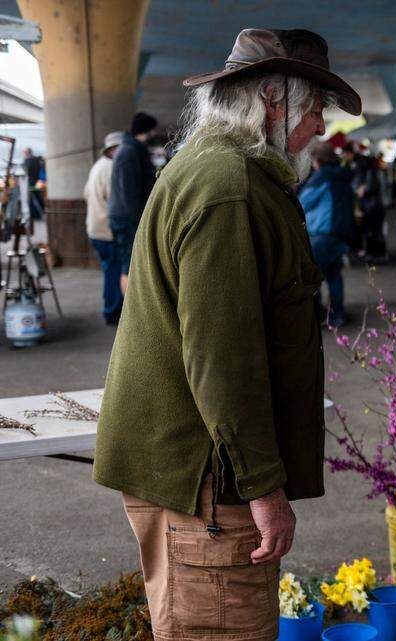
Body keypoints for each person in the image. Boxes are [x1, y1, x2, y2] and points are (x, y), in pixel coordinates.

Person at [94, 28, 361, 641]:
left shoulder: (223, 170)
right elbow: (223, 361)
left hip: (197, 477)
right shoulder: (229, 187)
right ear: (273, 97)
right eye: (315, 107)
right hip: (209, 487)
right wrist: (264, 488)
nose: (320, 126)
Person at [301, 141, 356, 327]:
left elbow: (302, 202)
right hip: (341, 232)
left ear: (316, 159)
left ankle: (316, 314)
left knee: (311, 275)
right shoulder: (342, 175)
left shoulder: (321, 177)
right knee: (334, 275)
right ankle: (337, 315)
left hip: (322, 233)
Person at [107, 112, 158, 294]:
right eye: (153, 130)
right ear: (146, 130)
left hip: (126, 216)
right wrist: (141, 221)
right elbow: (130, 193)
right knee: (128, 266)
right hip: (127, 219)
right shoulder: (129, 152)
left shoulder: (132, 149)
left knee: (130, 264)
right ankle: (128, 315)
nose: (154, 134)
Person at [83, 131, 125, 324]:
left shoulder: (97, 166)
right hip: (107, 230)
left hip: (95, 228)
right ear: (114, 149)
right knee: (113, 272)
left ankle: (111, 308)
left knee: (109, 270)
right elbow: (117, 202)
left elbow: (86, 194)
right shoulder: (112, 168)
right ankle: (112, 311)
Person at [343, 142, 388, 264]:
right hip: (370, 203)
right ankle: (375, 253)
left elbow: (369, 185)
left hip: (370, 204)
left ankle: (376, 254)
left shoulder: (362, 166)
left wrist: (361, 189)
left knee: (373, 230)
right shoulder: (361, 165)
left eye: (345, 154)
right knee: (372, 231)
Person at [21, 147, 44, 220]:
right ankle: (42, 211)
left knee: (31, 198)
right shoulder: (37, 159)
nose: (24, 153)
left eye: (25, 152)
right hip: (37, 182)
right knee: (38, 196)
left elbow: (25, 171)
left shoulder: (27, 160)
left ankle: (35, 214)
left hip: (30, 182)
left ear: (27, 152)